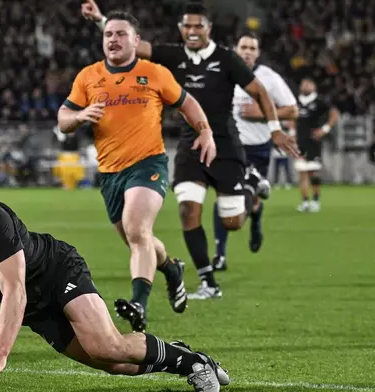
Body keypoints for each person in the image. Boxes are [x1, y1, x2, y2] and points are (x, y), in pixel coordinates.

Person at [0, 150, 228, 392]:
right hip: (34, 308)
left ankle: (194, 363)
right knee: (112, 365)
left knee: (107, 347)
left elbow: (14, 289)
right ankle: (177, 352)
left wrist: (1, 351)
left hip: (57, 270)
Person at [82, 1, 299, 299]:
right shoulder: (173, 54)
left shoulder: (227, 58)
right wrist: (101, 20)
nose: (193, 31)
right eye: (187, 26)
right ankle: (208, 281)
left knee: (231, 222)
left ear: (209, 29)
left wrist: (275, 128)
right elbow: (135, 44)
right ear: (180, 28)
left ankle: (250, 184)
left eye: (199, 26)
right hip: (191, 144)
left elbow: (259, 92)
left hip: (225, 145)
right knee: (187, 210)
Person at [57, 11, 216, 331]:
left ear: (136, 41)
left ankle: (138, 304)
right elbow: (63, 119)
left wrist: (205, 131)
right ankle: (171, 269)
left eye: (120, 34)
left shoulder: (154, 73)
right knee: (137, 238)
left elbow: (187, 103)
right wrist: (81, 115)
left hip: (148, 164)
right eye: (108, 34)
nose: (113, 39)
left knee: (136, 228)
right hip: (110, 173)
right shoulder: (89, 76)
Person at [211, 32, 299, 271]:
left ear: (258, 53)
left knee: (247, 201)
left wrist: (262, 114)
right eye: (243, 47)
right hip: (229, 149)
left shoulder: (268, 78)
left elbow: (293, 110)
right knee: (223, 200)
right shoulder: (223, 72)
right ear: (236, 49)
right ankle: (219, 254)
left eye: (252, 48)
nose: (247, 51)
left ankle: (256, 217)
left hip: (258, 150)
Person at [294, 78, 340, 213]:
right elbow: (291, 117)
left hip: (313, 142)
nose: (305, 86)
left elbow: (334, 114)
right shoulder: (296, 101)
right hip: (299, 142)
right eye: (303, 84)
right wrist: (291, 132)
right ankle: (304, 202)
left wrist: (324, 129)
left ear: (314, 87)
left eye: (308, 84)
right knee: (302, 173)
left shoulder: (320, 101)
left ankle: (315, 201)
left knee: (313, 172)